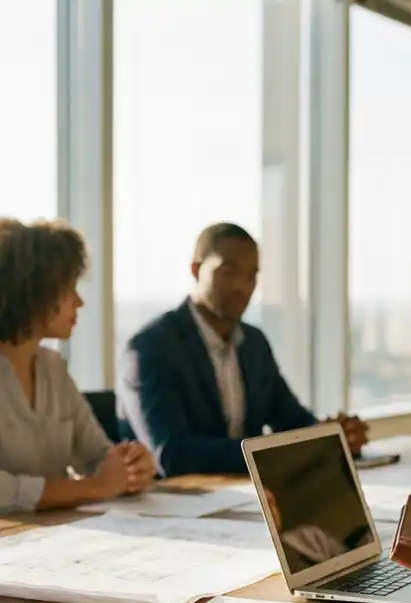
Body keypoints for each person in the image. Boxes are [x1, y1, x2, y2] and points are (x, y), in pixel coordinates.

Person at [118, 223, 369, 477]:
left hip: (247, 497)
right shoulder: (150, 349)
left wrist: (334, 438)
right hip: (175, 507)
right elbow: (172, 455)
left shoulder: (253, 343)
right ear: (195, 270)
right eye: (228, 272)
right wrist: (276, 452)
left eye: (252, 275)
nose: (242, 286)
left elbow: (293, 421)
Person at [0, 218, 156, 513]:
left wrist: (130, 466)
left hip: (55, 538)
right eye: (69, 289)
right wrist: (95, 487)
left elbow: (96, 453)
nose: (80, 302)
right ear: (33, 292)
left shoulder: (53, 368)